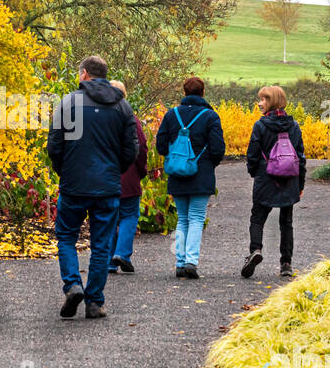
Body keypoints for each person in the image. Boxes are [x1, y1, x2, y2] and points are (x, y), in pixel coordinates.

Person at [47, 55, 138, 318]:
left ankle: (73, 284)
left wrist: (64, 171)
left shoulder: (68, 103)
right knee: (102, 244)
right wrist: (114, 171)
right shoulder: (122, 107)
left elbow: (55, 145)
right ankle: (95, 301)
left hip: (74, 184)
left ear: (85, 74)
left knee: (66, 236)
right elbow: (129, 150)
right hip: (107, 186)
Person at [155, 77, 226, 279]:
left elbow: (161, 145)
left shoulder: (172, 115)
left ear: (184, 93)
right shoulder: (210, 116)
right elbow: (218, 148)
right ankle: (191, 262)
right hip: (201, 173)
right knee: (196, 218)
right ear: (203, 92)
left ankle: (179, 262)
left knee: (182, 219)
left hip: (177, 173)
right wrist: (208, 163)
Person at [242, 84, 306, 279]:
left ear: (272, 102)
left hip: (266, 177)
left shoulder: (261, 125)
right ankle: (286, 263)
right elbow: (300, 156)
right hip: (289, 179)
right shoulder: (294, 126)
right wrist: (300, 184)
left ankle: (256, 250)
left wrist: (254, 173)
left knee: (257, 218)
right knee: (286, 222)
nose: (260, 103)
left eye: (263, 99)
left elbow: (253, 154)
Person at [107, 80, 147, 274]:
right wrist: (141, 170)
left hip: (104, 176)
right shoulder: (129, 117)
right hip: (128, 175)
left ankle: (109, 261)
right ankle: (122, 253)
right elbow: (140, 146)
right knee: (129, 215)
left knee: (109, 217)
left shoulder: (98, 116)